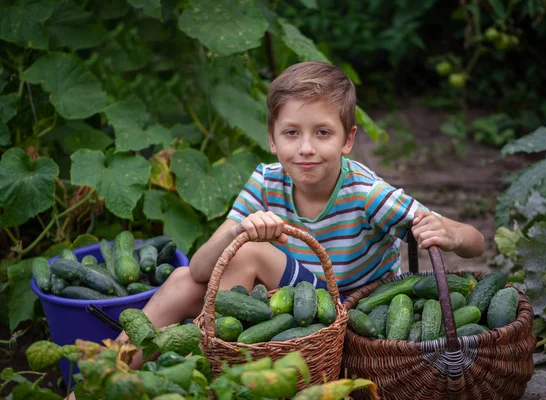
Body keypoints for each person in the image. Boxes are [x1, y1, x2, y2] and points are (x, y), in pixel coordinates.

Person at [119, 61, 485, 368]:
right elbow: (201, 270)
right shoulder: (265, 181)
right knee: (184, 278)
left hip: (349, 314)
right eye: (292, 133)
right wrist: (237, 230)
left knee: (251, 253)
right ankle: (105, 371)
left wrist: (453, 236)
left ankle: (214, 363)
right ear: (272, 139)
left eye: (322, 133)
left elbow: (476, 242)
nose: (306, 148)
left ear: (347, 139)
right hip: (287, 303)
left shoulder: (367, 194)